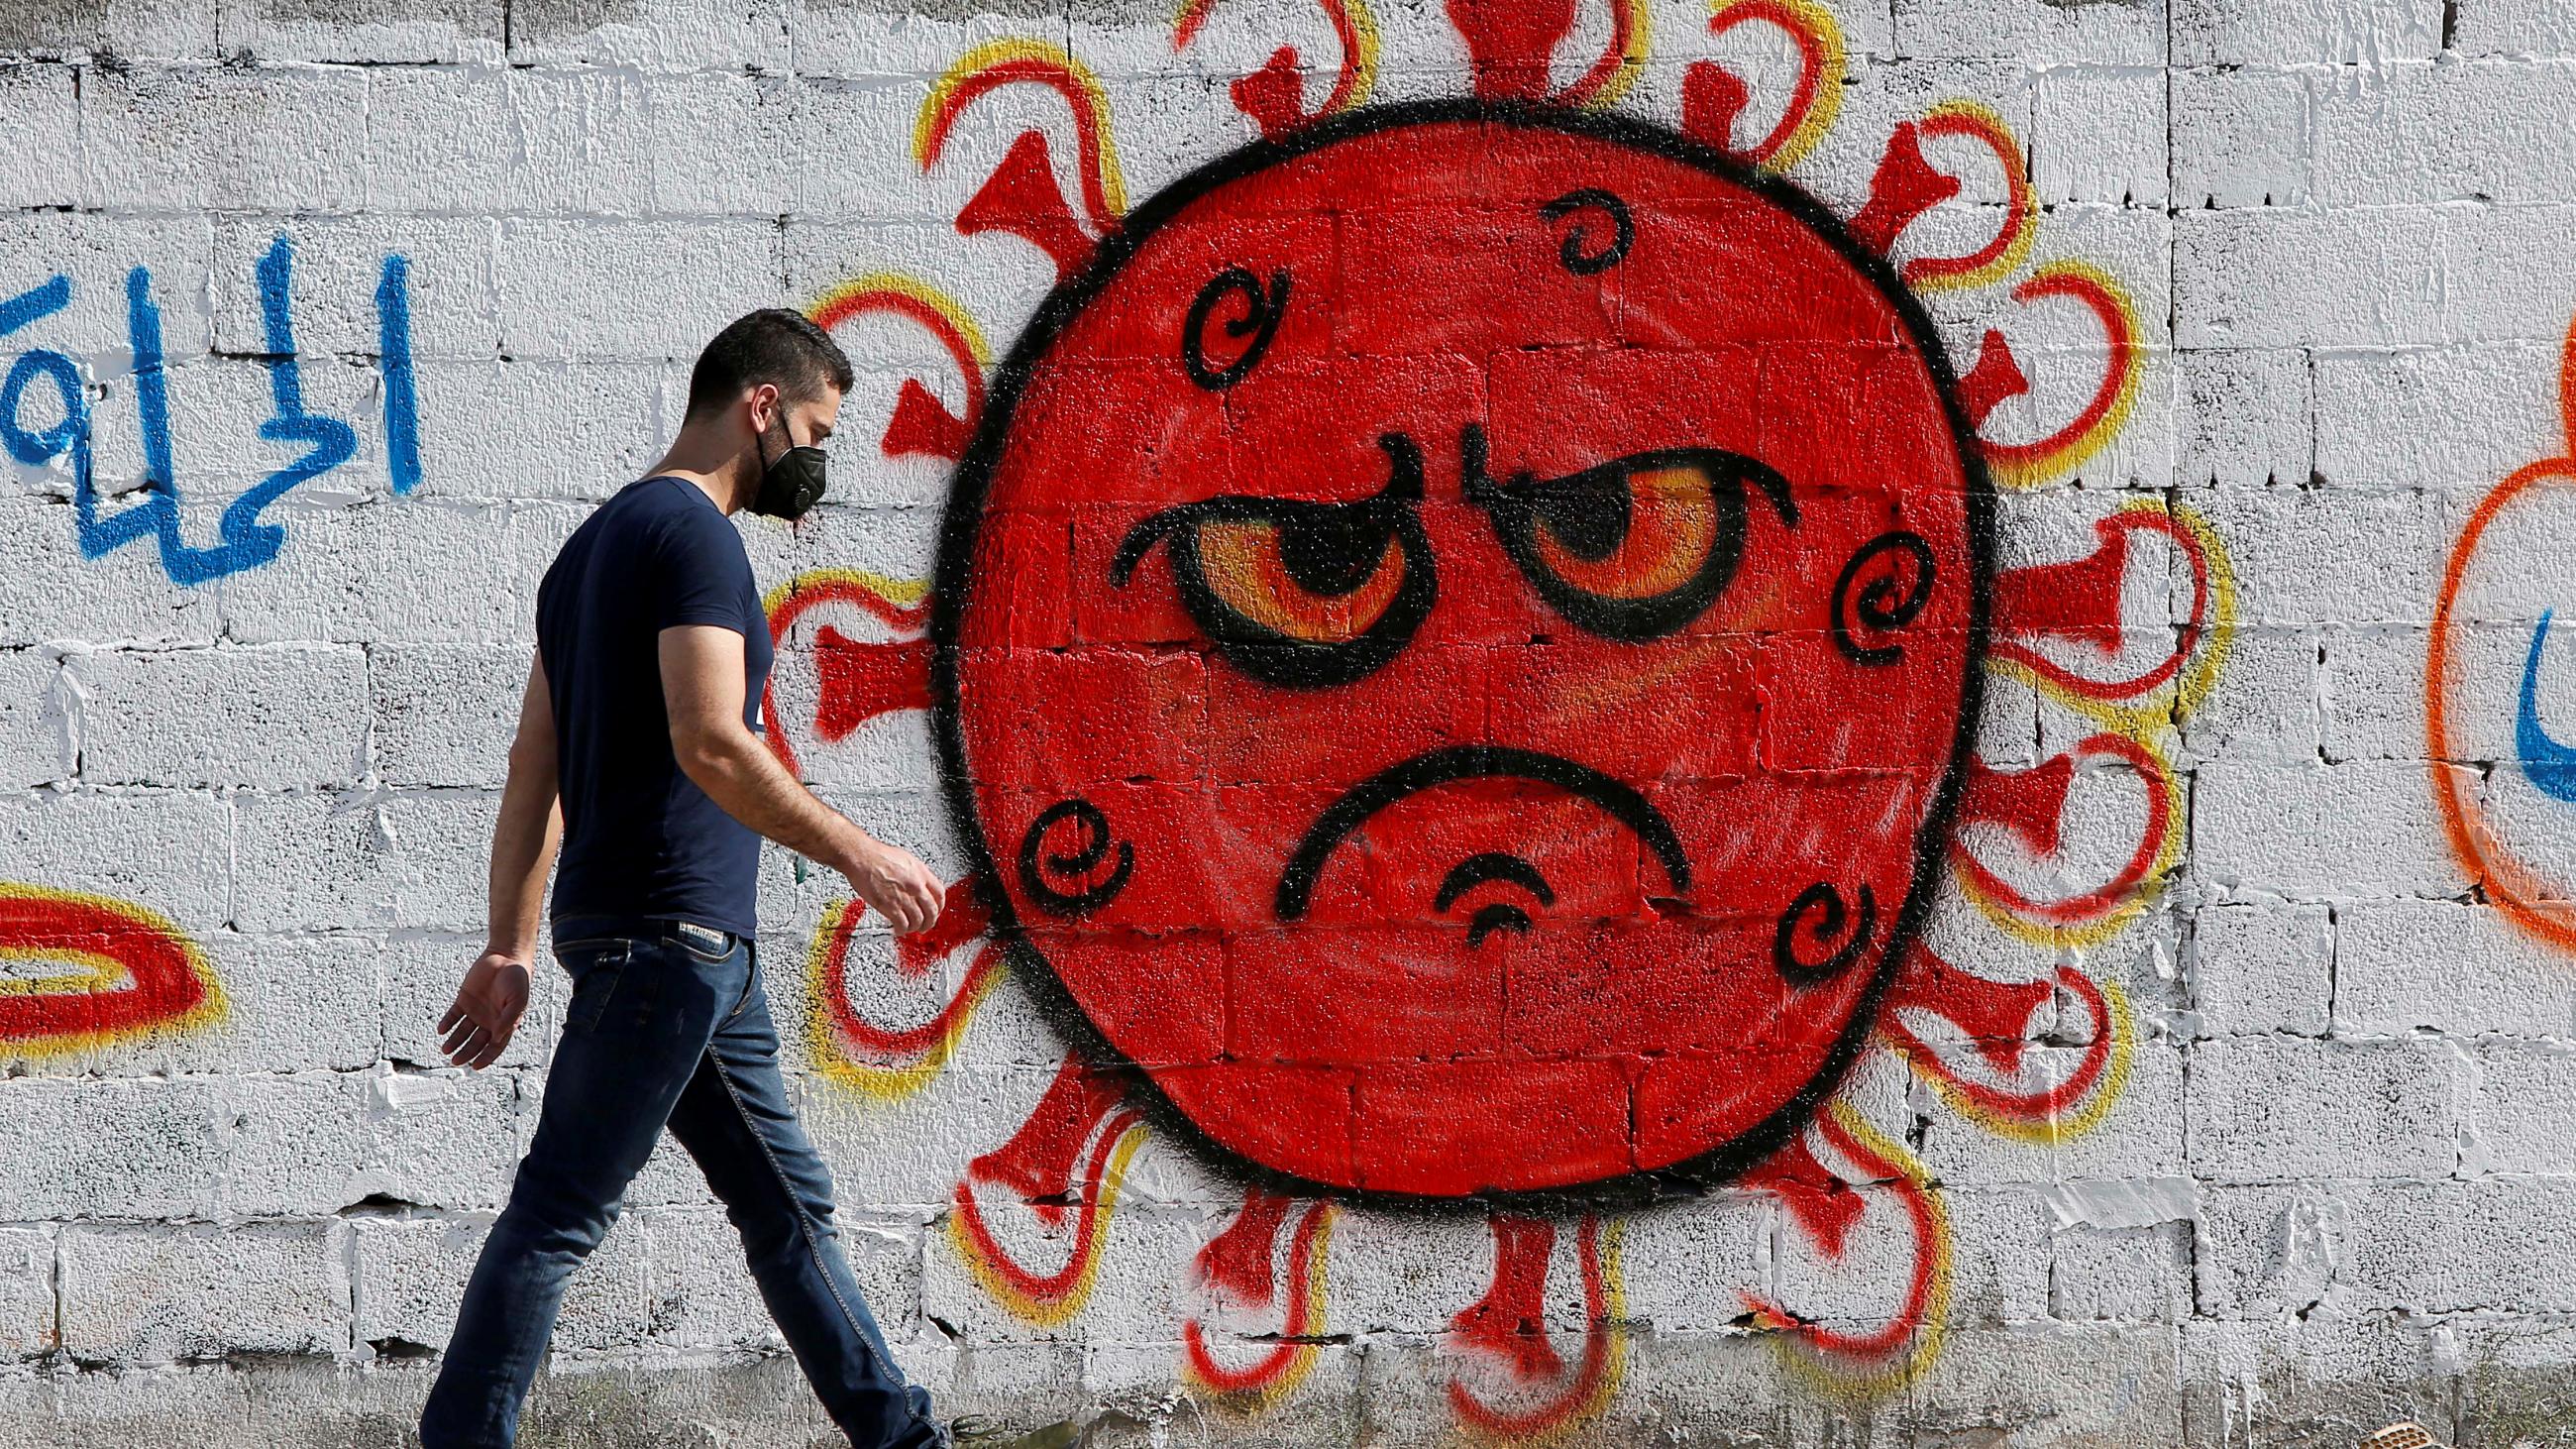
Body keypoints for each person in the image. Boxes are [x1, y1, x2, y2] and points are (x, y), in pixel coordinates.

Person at [417, 309, 966, 1448]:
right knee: (561, 1213)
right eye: (814, 425)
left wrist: (513, 946)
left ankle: (904, 1438)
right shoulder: (695, 539)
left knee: (785, 1208)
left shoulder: (587, 551)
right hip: (671, 943)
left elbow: (537, 763)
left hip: (682, 950)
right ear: (760, 406)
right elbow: (711, 739)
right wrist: (860, 854)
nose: (817, 457)